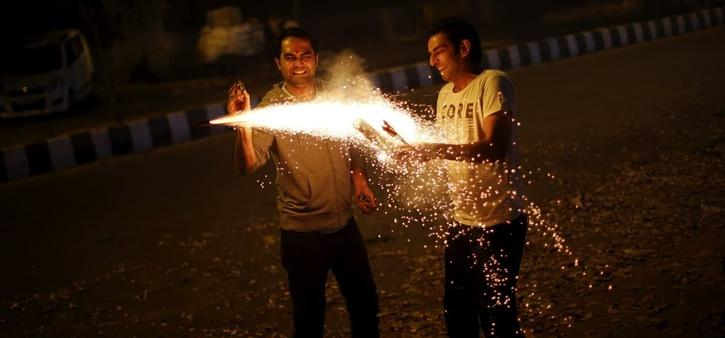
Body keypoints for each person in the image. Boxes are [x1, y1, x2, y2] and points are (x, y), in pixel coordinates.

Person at [226, 27, 380, 338]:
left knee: (365, 304)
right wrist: (242, 122)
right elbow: (249, 164)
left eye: (305, 56)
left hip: (345, 226)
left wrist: (360, 180)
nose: (298, 63)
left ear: (316, 59)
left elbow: (353, 143)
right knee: (309, 320)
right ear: (278, 63)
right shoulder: (271, 107)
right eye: (290, 57)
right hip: (303, 237)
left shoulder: (332, 97)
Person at [395, 17, 527, 338]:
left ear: (463, 48)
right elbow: (451, 152)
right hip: (461, 223)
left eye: (438, 51)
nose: (432, 61)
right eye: (430, 54)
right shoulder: (444, 96)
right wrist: (415, 155)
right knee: (457, 313)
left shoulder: (494, 82)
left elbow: (493, 148)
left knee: (497, 317)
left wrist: (434, 149)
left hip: (499, 223)